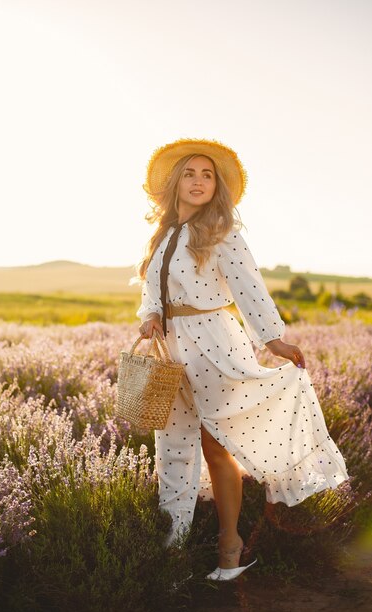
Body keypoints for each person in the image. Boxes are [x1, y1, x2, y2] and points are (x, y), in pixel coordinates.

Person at [134, 138, 349, 581]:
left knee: (216, 444)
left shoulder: (223, 231)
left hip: (215, 344)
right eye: (190, 173)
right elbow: (150, 290)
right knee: (173, 447)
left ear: (217, 187)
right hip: (172, 348)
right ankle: (171, 548)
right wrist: (151, 314)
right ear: (175, 182)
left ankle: (228, 547)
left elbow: (250, 289)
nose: (198, 182)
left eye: (206, 175)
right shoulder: (164, 234)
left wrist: (274, 341)